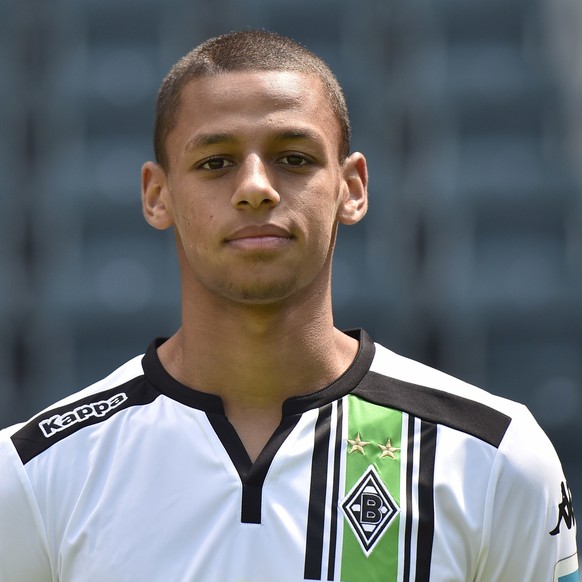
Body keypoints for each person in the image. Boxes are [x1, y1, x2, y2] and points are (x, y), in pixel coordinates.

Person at [0, 30, 578, 582]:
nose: (256, 187)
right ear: (157, 194)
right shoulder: (33, 473)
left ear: (352, 188)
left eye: (295, 158)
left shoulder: (496, 458)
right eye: (215, 162)